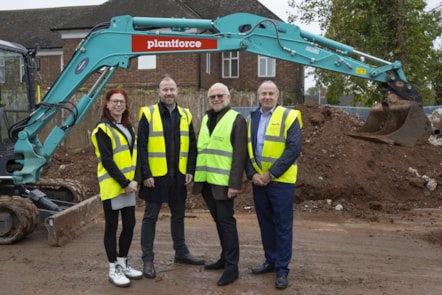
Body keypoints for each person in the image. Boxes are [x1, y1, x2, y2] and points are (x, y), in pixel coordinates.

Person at [137, 74, 204, 279]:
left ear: (177, 91)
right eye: (165, 89)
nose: (168, 93)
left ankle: (181, 253)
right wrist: (145, 174)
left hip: (178, 178)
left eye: (172, 89)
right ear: (159, 92)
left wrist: (190, 170)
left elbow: (192, 145)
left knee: (178, 216)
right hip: (155, 178)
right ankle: (147, 259)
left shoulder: (185, 114)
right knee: (150, 218)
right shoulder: (148, 114)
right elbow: (141, 146)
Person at [245, 80, 302, 290]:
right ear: (258, 96)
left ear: (278, 96)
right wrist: (252, 175)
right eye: (263, 93)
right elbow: (247, 149)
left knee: (283, 226)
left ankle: (282, 269)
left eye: (271, 93)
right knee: (266, 224)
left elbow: (294, 148)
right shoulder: (253, 118)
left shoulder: (289, 116)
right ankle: (270, 261)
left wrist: (271, 173)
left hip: (281, 182)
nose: (267, 97)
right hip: (259, 182)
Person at [192, 82, 247, 286]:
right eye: (212, 96)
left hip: (224, 184)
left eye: (220, 96)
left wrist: (235, 184)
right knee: (219, 222)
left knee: (227, 223)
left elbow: (240, 154)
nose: (216, 99)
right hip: (207, 181)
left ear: (228, 97)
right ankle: (225, 259)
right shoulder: (207, 118)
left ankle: (232, 268)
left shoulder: (237, 119)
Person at [91, 88, 143, 288]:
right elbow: (107, 160)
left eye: (121, 101)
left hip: (129, 186)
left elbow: (135, 156)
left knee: (129, 225)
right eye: (114, 101)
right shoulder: (102, 129)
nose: (118, 105)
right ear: (107, 104)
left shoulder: (128, 127)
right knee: (112, 227)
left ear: (126, 105)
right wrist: (125, 182)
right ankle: (113, 268)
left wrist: (135, 180)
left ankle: (123, 262)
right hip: (113, 186)